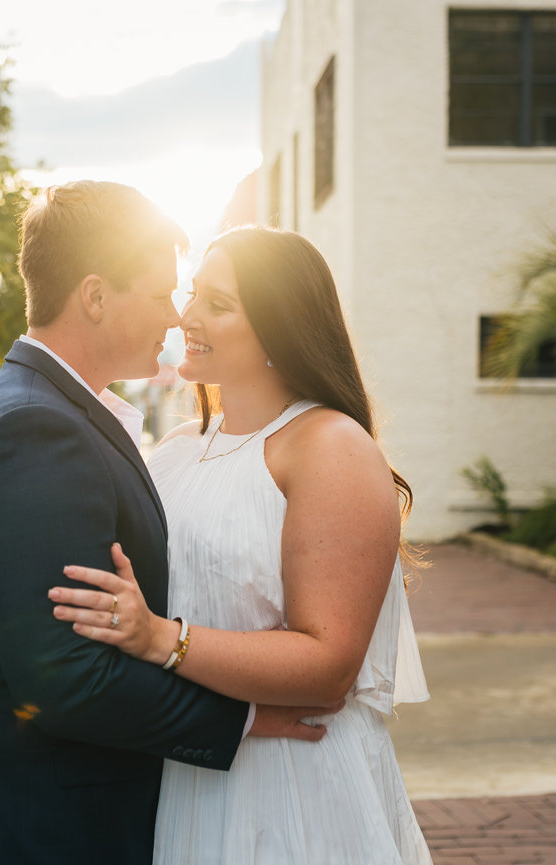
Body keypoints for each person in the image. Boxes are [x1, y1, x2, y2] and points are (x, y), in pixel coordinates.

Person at [0, 184, 334, 865]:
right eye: (161, 294)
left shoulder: (51, 410)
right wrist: (242, 718)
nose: (174, 315)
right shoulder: (35, 429)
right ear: (95, 297)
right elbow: (67, 678)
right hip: (25, 830)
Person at [50, 226, 433, 864]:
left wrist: (160, 638)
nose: (187, 316)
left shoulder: (328, 447)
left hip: (295, 786)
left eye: (218, 305)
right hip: (195, 772)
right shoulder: (173, 454)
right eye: (194, 294)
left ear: (281, 330)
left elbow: (328, 664)